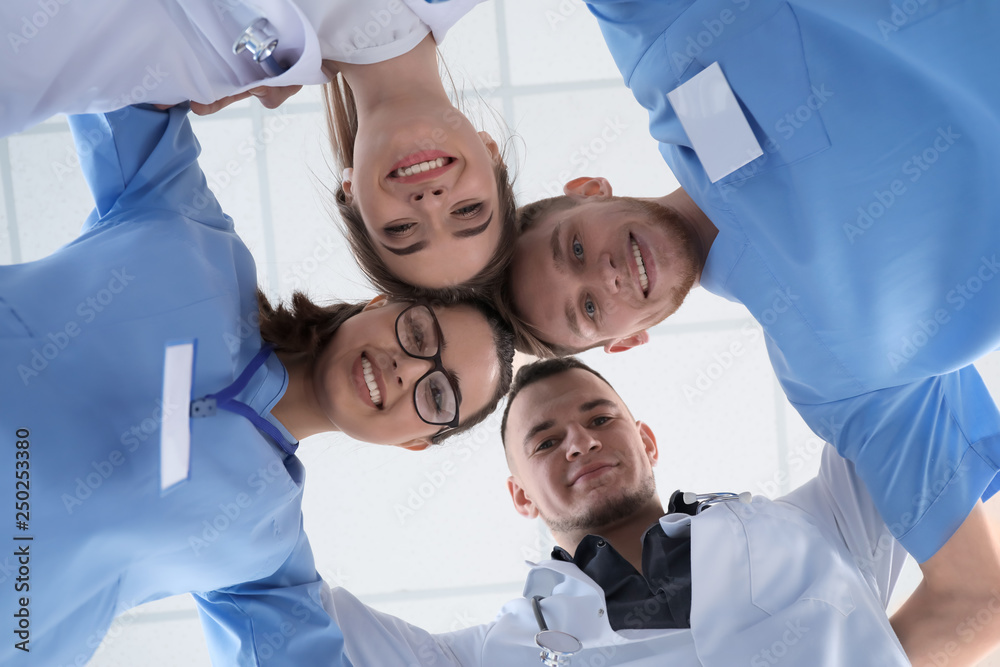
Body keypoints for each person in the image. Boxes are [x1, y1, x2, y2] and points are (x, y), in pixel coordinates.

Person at [0, 103, 514, 666]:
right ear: (380, 303)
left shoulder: (265, 551)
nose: (408, 367)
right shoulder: (192, 236)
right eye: (419, 332)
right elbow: (119, 63)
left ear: (412, 442)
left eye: (437, 394)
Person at [505, 0, 1000, 566]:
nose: (606, 273)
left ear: (587, 190)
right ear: (625, 341)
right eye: (589, 309)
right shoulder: (830, 372)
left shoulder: (677, 63)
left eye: (574, 248)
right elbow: (975, 596)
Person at [326, 357, 1000, 667]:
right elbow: (282, 602)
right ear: (521, 495)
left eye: (599, 417)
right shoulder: (486, 655)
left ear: (645, 440)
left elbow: (900, 378)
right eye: (546, 440)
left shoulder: (821, 522)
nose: (581, 440)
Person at [0, 0, 516, 291]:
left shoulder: (195, 73)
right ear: (492, 153)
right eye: (469, 210)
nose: (431, 204)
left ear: (351, 193)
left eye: (401, 229)